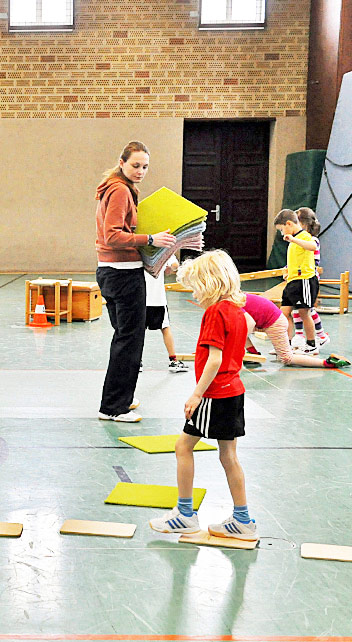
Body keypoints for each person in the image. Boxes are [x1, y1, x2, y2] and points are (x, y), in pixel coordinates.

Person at [148, 250, 257, 541]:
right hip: (234, 392)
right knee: (229, 456)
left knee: (183, 447)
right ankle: (244, 519)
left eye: (196, 287)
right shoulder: (237, 310)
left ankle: (185, 515)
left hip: (214, 395)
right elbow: (249, 332)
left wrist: (196, 395)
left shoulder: (216, 312)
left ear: (209, 283)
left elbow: (214, 359)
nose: (194, 295)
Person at [94, 141, 175, 421]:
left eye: (145, 167)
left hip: (111, 272)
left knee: (125, 338)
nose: (140, 171)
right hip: (123, 274)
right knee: (130, 341)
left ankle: (120, 398)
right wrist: (151, 240)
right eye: (135, 165)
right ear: (122, 162)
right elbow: (112, 235)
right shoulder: (119, 190)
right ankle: (113, 407)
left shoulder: (118, 188)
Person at [240, 292, 349, 369]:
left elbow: (250, 323)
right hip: (269, 320)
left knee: (287, 358)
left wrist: (234, 347)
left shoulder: (231, 302)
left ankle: (327, 362)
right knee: (234, 329)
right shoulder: (232, 297)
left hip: (274, 323)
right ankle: (253, 353)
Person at [273, 209, 320, 355]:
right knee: (284, 313)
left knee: (304, 312)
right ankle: (285, 344)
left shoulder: (304, 236)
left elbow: (313, 247)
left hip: (304, 281)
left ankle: (312, 344)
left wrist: (293, 240)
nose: (282, 233)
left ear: (289, 224)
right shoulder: (294, 240)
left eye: (282, 229)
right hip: (293, 282)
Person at [291, 207, 328, 349]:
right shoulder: (298, 240)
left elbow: (311, 260)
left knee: (308, 309)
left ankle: (321, 335)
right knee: (297, 308)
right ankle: (299, 335)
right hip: (297, 278)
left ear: (304, 225)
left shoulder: (311, 240)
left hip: (307, 279)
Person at [144, 257, 188, 372]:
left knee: (138, 331)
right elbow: (175, 265)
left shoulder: (139, 249)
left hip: (141, 299)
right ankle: (173, 361)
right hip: (157, 300)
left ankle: (136, 362)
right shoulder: (164, 250)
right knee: (165, 328)